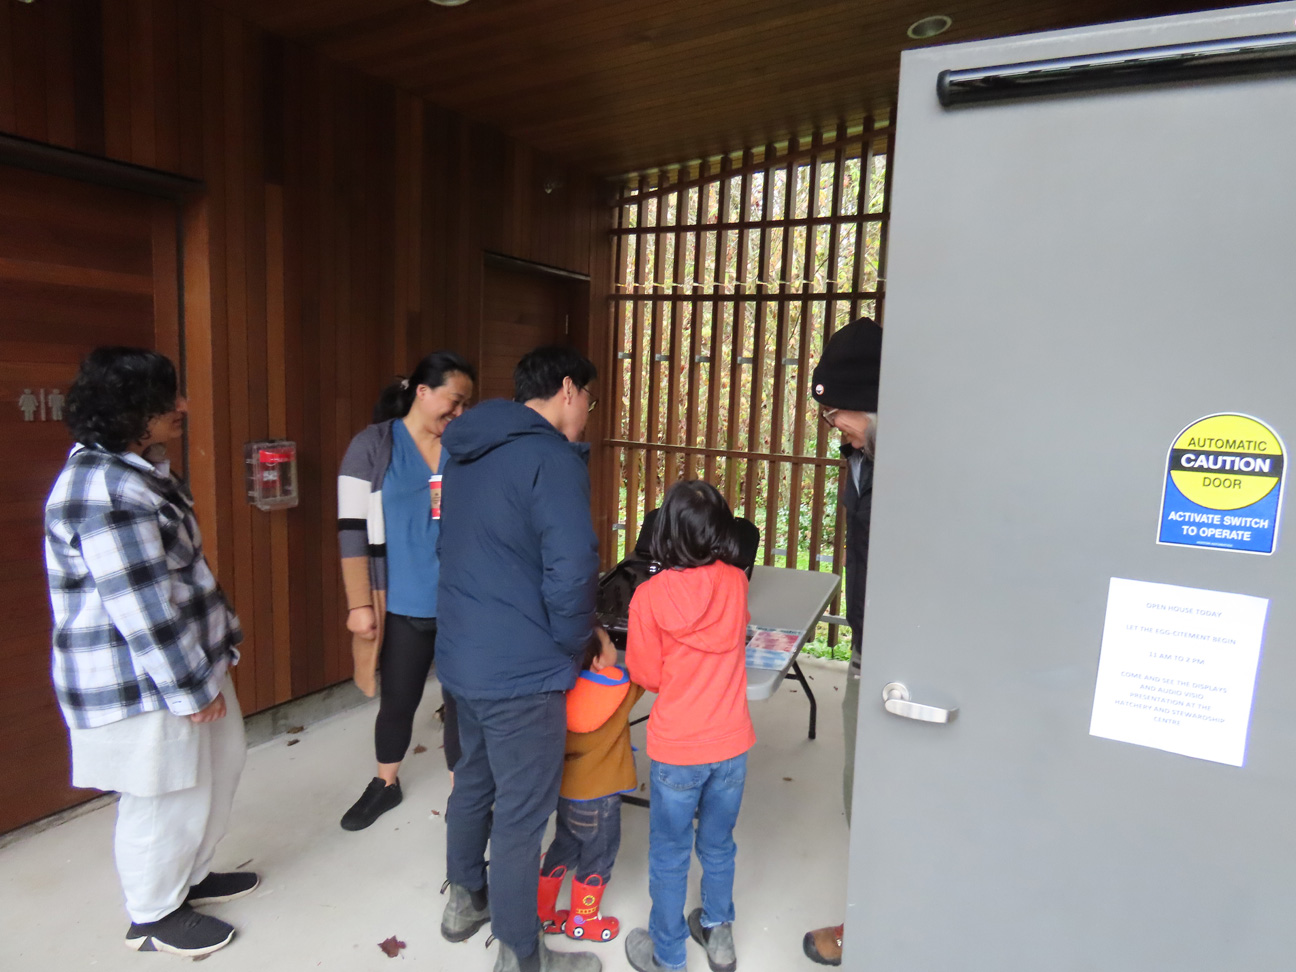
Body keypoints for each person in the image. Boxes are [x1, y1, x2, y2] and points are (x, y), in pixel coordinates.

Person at [44, 348, 255, 958]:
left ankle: (187, 877)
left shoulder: (137, 470)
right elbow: (142, 608)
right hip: (144, 679)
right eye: (169, 398)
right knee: (164, 793)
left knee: (218, 768)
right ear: (131, 410)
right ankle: (153, 914)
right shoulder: (104, 489)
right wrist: (191, 688)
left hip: (186, 663)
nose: (182, 406)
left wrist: (210, 663)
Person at [436, 345, 610, 972]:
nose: (587, 411)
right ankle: (521, 953)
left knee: (474, 780)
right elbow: (573, 568)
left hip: (463, 657)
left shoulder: (464, 450)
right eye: (589, 398)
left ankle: (464, 901)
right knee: (521, 812)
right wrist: (570, 644)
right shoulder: (549, 458)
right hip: (520, 671)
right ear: (568, 389)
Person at [337, 351, 475, 830]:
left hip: (462, 600)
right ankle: (385, 783)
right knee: (398, 700)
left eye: (466, 405)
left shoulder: (463, 447)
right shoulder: (374, 446)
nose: (459, 412)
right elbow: (351, 528)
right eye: (454, 401)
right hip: (400, 603)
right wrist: (359, 603)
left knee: (462, 701)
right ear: (422, 391)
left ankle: (464, 791)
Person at [624, 480, 756, 972]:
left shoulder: (648, 597)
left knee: (670, 851)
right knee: (719, 843)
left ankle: (668, 953)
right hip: (732, 745)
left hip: (678, 748)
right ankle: (720, 938)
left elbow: (648, 675)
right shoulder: (736, 582)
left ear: (665, 531)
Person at [801, 317, 883, 967]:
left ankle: (877, 930)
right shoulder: (862, 459)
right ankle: (876, 919)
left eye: (838, 416)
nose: (836, 429)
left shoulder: (915, 472)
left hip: (902, 658)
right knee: (863, 790)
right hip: (868, 646)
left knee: (883, 794)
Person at [537, 640, 645, 943]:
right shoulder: (618, 688)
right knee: (599, 856)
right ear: (598, 660)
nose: (613, 645)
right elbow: (645, 676)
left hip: (567, 791)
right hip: (601, 798)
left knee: (564, 845)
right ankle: (583, 921)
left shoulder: (559, 690)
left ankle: (542, 910)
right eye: (609, 642)